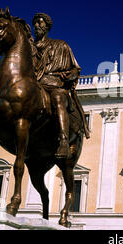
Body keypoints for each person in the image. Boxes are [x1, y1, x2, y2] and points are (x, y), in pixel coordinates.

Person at [32, 13, 90, 159]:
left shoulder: (61, 45)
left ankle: (63, 140)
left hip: (54, 85)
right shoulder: (29, 47)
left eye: (41, 23)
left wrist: (69, 76)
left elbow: (76, 69)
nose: (37, 26)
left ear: (47, 26)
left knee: (58, 98)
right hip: (34, 84)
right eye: (35, 23)